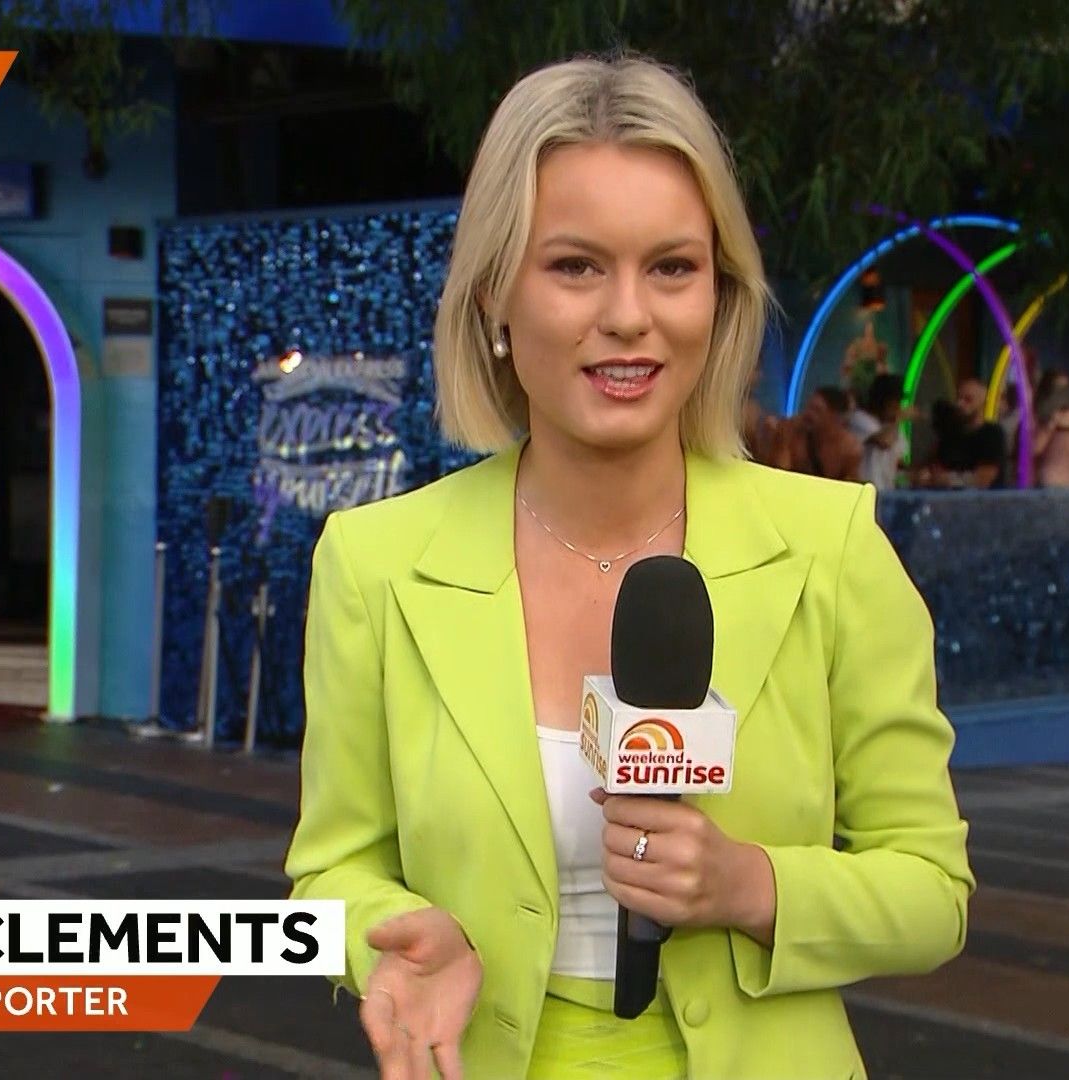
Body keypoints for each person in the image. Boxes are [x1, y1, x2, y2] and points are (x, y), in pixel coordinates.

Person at [283, 52, 974, 1080]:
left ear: (719, 296)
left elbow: (932, 890)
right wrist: (389, 935)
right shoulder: (376, 564)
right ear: (494, 297)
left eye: (672, 268)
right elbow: (329, 873)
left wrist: (750, 886)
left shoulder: (831, 548)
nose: (628, 315)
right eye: (575, 266)